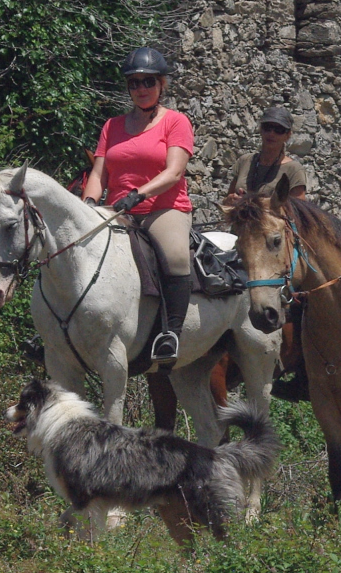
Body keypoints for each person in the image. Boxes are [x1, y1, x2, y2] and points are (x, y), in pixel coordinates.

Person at [84, 46, 194, 368]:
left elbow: (174, 172)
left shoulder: (175, 122)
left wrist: (137, 195)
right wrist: (90, 203)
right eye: (134, 83)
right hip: (118, 209)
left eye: (148, 82)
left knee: (174, 255)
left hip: (163, 208)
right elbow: (98, 173)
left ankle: (170, 333)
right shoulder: (112, 126)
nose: (141, 89)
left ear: (161, 85)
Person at [220, 104, 308, 214]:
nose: (271, 133)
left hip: (271, 229)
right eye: (267, 127)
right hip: (240, 226)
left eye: (278, 130)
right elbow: (227, 202)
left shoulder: (294, 170)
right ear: (261, 130)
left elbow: (298, 214)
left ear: (288, 135)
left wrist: (262, 205)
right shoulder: (245, 161)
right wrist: (230, 200)